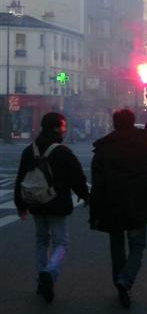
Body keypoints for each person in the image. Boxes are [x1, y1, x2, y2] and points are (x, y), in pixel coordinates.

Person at [89, 94, 147, 309]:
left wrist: (94, 212)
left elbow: (97, 185)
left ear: (114, 124)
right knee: (137, 245)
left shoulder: (103, 150)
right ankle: (126, 279)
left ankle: (119, 281)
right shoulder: (142, 143)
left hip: (112, 206)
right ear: (133, 123)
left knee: (116, 246)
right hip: (137, 205)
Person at [14, 112, 89, 303]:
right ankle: (50, 271)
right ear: (56, 128)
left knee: (41, 240)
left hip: (36, 204)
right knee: (61, 243)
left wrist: (20, 204)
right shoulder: (62, 151)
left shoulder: (29, 150)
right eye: (63, 126)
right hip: (57, 203)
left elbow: (20, 178)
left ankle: (41, 276)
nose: (64, 130)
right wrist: (85, 195)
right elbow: (77, 178)